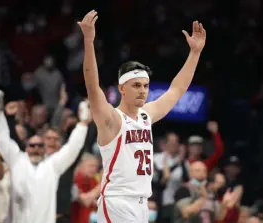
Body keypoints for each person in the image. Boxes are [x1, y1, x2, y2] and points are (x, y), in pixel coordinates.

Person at [78, 9, 206, 223]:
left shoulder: (146, 115)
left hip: (142, 204)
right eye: (136, 85)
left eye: (145, 86)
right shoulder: (112, 119)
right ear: (122, 88)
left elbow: (177, 90)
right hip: (117, 202)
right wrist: (89, 41)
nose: (142, 91)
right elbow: (92, 85)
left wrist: (195, 54)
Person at [0, 88, 91, 223]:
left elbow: (72, 148)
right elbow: (2, 138)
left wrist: (83, 124)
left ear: (44, 149)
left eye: (40, 146)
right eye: (32, 145)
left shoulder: (52, 165)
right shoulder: (17, 160)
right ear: (26, 147)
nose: (36, 149)